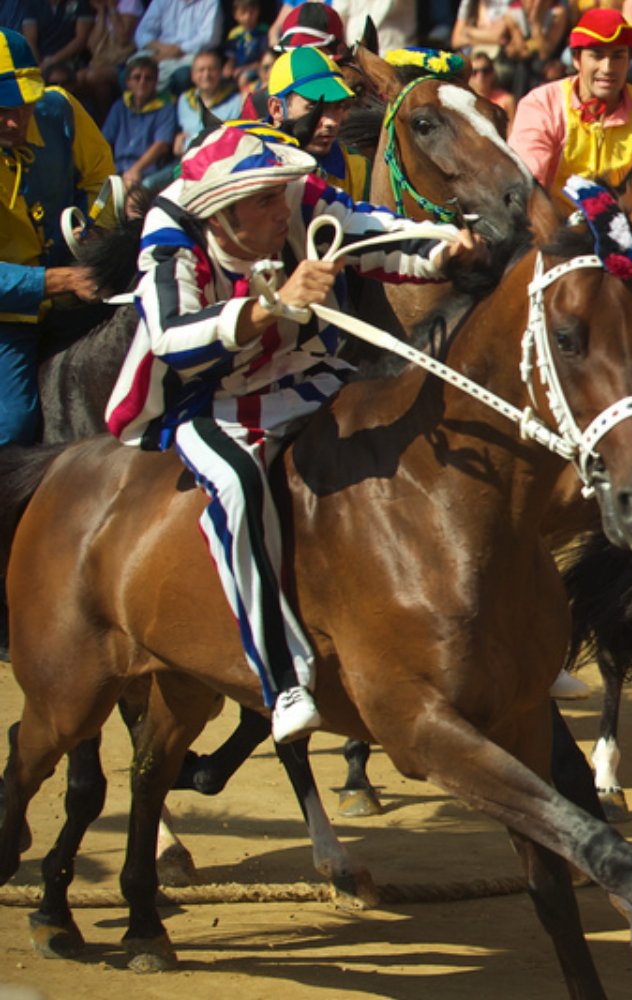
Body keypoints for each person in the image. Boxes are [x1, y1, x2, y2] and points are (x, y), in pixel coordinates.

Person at [107, 124, 483, 742]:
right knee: (234, 484)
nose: (283, 207)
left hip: (309, 374)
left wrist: (444, 250)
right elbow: (172, 337)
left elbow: (375, 234)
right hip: (209, 401)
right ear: (223, 218)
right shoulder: (171, 237)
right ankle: (280, 677)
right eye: (264, 201)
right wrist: (271, 305)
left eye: (282, 193)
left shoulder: (300, 201)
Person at [0, 27, 111, 447]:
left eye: (24, 102)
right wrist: (59, 280)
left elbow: (104, 179)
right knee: (13, 425)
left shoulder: (59, 109)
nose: (15, 118)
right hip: (8, 317)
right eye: (1, 108)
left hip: (81, 279)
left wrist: (99, 229)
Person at [510, 8, 632, 194]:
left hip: (626, 222)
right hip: (552, 221)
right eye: (597, 55)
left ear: (629, 61)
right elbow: (526, 187)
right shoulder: (541, 106)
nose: (607, 68)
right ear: (577, 59)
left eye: (618, 56)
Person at [261, 46, 368, 199]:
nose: (331, 122)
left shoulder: (359, 169)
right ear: (277, 109)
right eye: (314, 106)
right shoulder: (249, 161)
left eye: (338, 106)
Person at [102, 55, 179, 188]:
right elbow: (105, 141)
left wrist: (136, 169)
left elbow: (161, 145)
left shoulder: (166, 108)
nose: (142, 82)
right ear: (128, 82)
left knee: (130, 187)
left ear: (155, 82)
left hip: (147, 171)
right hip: (117, 168)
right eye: (137, 77)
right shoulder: (120, 106)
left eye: (148, 78)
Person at [132, 0, 223, 90]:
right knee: (131, 71)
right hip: (159, 50)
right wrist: (162, 48)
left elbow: (210, 38)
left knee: (183, 76)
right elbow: (142, 32)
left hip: (189, 54)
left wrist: (178, 49)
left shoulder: (211, 2)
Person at [176, 48, 243, 154]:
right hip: (188, 158)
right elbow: (184, 133)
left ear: (220, 72)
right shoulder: (184, 100)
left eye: (211, 69)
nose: (206, 75)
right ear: (193, 75)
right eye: (201, 70)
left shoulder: (236, 101)